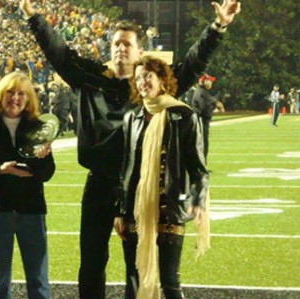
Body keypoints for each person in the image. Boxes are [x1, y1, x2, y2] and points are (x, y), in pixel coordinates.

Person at [19, 0, 240, 297]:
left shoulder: (148, 85)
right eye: (116, 43)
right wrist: (34, 17)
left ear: (140, 52)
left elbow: (191, 65)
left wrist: (218, 27)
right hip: (98, 182)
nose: (120, 48)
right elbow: (57, 51)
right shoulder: (89, 76)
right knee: (92, 262)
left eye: (127, 44)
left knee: (136, 263)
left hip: (137, 185)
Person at [114, 56, 209, 299]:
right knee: (135, 277)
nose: (142, 82)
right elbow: (125, 168)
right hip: (137, 210)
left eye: (148, 76)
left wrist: (198, 200)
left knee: (169, 280)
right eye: (138, 78)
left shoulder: (184, 117)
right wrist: (119, 211)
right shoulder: (131, 118)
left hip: (170, 208)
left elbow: (198, 168)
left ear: (162, 80)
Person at [0, 72, 55, 299]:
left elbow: (46, 174)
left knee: (38, 280)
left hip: (31, 209)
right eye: (10, 92)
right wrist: (0, 169)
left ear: (28, 99)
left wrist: (44, 158)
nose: (15, 98)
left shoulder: (38, 126)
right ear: (0, 94)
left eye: (21, 94)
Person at [190, 74, 217, 159]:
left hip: (202, 121)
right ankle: (202, 166)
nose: (211, 83)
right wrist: (213, 105)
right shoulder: (201, 92)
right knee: (202, 143)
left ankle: (203, 166)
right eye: (210, 81)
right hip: (201, 121)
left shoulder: (202, 92)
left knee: (203, 143)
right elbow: (204, 108)